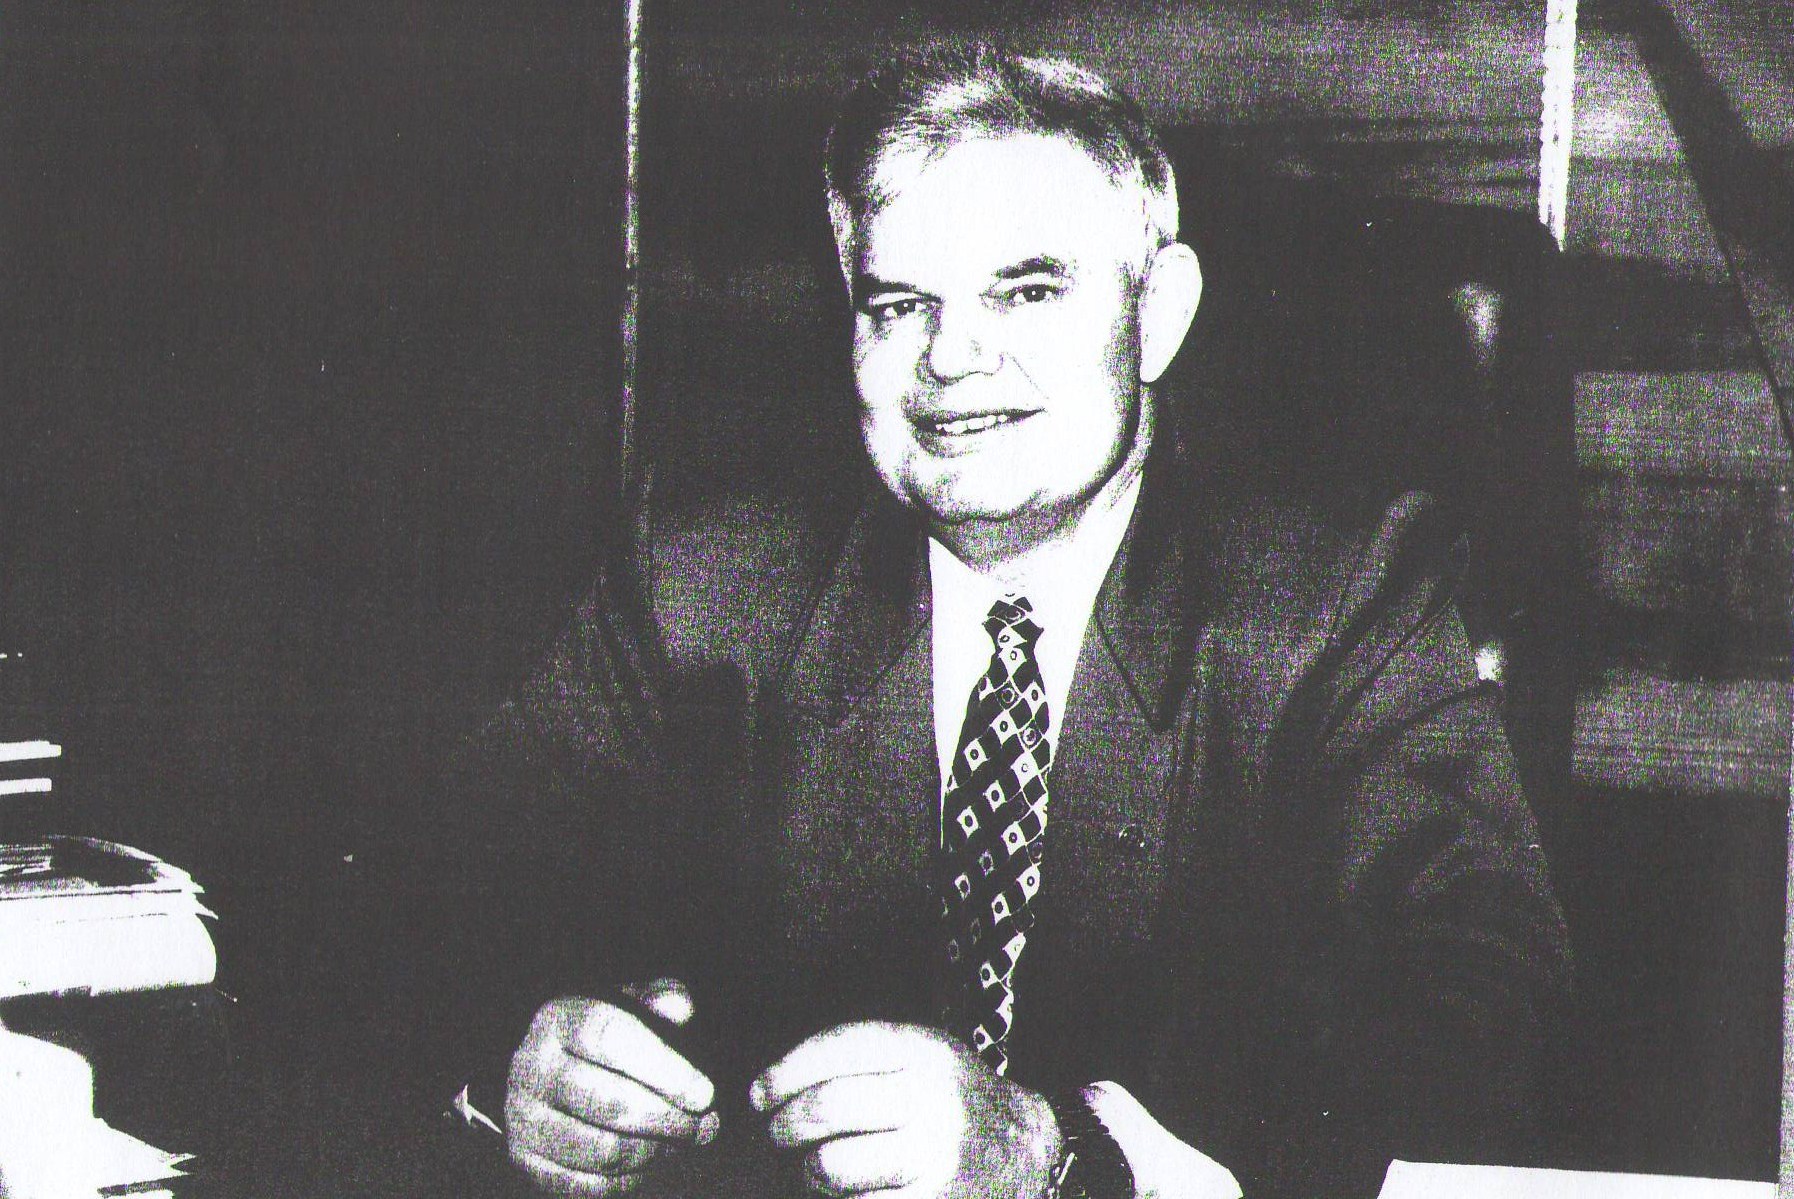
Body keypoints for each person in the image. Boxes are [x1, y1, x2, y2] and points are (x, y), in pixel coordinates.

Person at [429, 40, 1569, 1199]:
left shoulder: (1337, 596)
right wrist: (510, 1055)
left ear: (1157, 314)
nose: (951, 356)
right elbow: (432, 889)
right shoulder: (707, 574)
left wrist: (1060, 1152)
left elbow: (1488, 1013)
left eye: (1025, 291)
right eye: (899, 304)